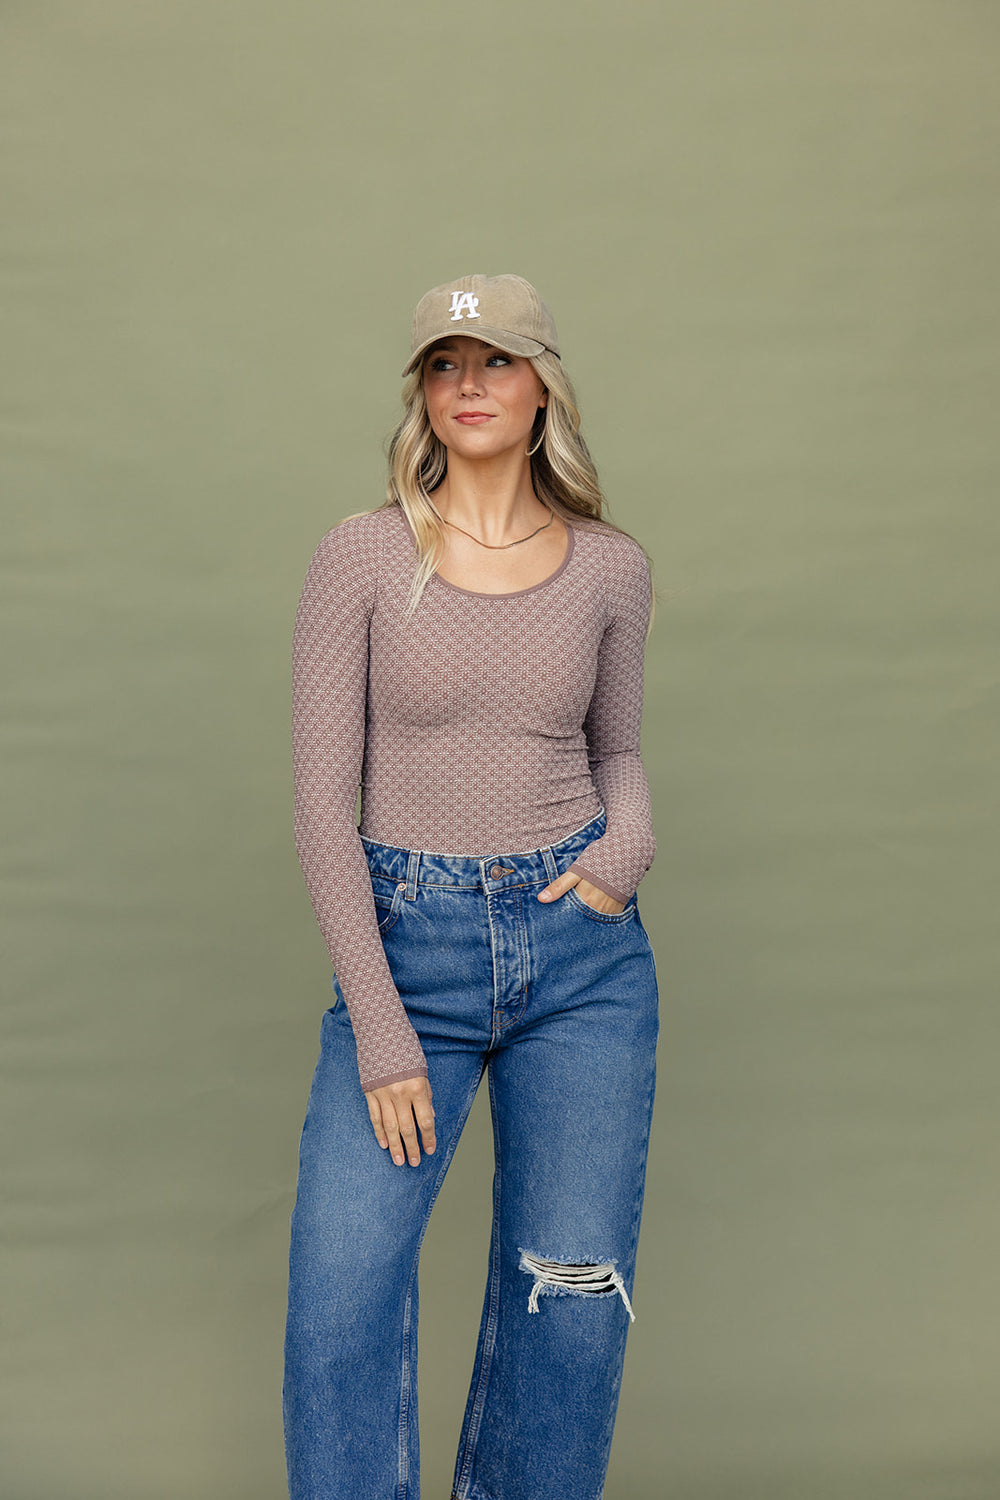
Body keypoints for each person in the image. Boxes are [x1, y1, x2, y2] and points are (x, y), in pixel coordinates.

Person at [282, 272, 660, 1500]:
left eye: (495, 361)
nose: (468, 385)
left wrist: (625, 849)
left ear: (543, 384)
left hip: (581, 960)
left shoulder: (609, 568)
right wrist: (383, 1029)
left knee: (568, 1297)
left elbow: (617, 752)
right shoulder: (359, 555)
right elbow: (319, 805)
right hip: (409, 951)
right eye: (444, 365)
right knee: (341, 1296)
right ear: (422, 393)